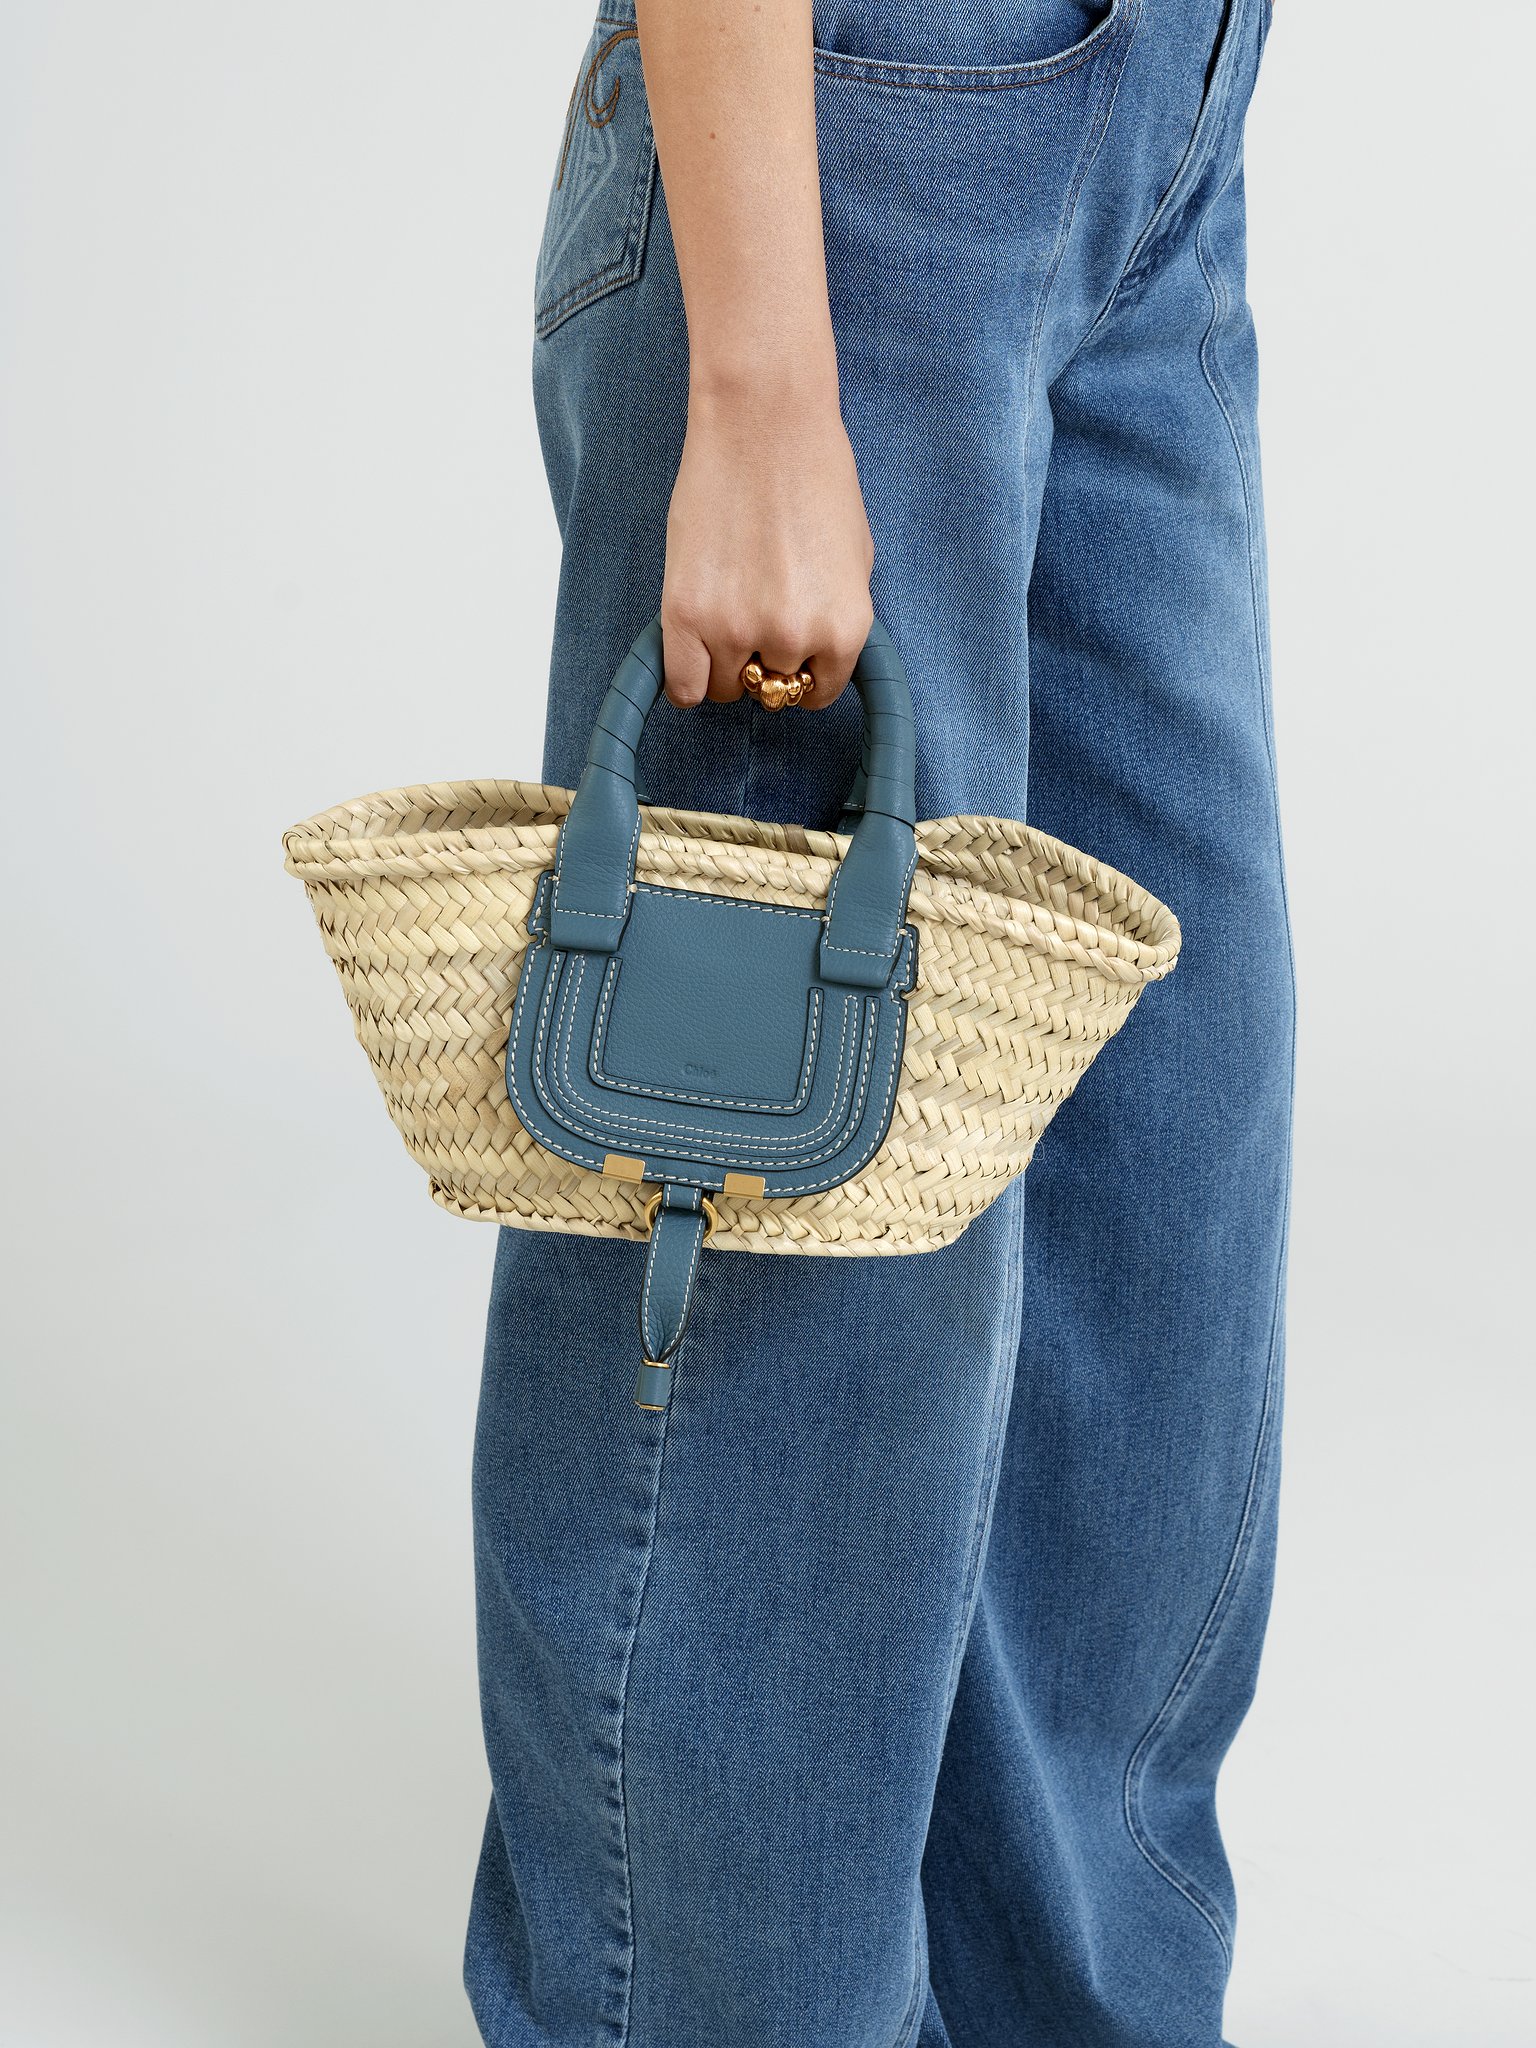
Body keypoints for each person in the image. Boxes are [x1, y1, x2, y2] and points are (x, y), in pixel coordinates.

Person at [467, 1, 1292, 2042]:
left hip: (1161, 117)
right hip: (849, 122)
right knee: (789, 1196)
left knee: (1155, 1157)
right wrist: (756, 370)